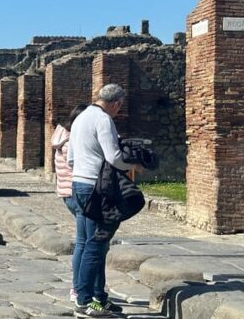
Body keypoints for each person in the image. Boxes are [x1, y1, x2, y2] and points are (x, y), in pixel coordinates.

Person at [68, 84, 140, 318]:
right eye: (120, 106)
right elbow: (114, 157)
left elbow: (70, 158)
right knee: (95, 246)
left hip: (79, 184)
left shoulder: (80, 118)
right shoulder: (103, 119)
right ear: (117, 103)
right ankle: (85, 301)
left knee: (86, 243)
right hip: (95, 188)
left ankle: (99, 297)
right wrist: (133, 165)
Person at [52, 104, 88, 303]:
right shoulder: (72, 141)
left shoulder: (62, 136)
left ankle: (85, 285)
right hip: (77, 193)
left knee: (86, 241)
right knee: (85, 243)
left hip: (67, 193)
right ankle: (77, 287)